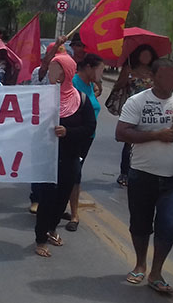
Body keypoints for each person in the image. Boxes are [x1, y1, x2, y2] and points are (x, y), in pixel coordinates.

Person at [115, 58, 173, 293]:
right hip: (141, 176)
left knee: (168, 227)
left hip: (172, 180)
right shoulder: (138, 101)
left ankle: (156, 271)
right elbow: (121, 133)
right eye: (166, 77)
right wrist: (156, 135)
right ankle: (140, 264)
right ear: (153, 78)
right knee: (140, 225)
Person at [35, 53, 96, 258]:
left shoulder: (81, 100)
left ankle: (52, 229)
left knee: (62, 197)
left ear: (66, 73)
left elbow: (89, 127)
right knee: (47, 198)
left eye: (56, 69)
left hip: (70, 157)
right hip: (47, 158)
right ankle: (40, 239)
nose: (51, 73)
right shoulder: (43, 98)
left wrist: (68, 132)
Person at [64, 53, 104, 232]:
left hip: (89, 137)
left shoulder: (90, 86)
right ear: (88, 68)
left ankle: (63, 207)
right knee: (74, 174)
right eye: (100, 70)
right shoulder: (72, 84)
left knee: (73, 175)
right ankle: (74, 215)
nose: (102, 73)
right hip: (73, 136)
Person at [27, 37, 65, 214]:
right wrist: (56, 46)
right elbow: (44, 67)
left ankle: (55, 203)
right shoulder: (39, 73)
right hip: (41, 128)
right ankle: (36, 198)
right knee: (40, 163)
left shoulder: (67, 78)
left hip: (61, 128)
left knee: (58, 166)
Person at [114, 44, 159, 187]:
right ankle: (125, 173)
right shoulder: (129, 69)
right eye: (143, 54)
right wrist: (126, 77)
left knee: (146, 140)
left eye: (148, 55)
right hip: (132, 110)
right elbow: (118, 86)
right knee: (129, 142)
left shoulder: (154, 72)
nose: (146, 58)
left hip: (150, 110)